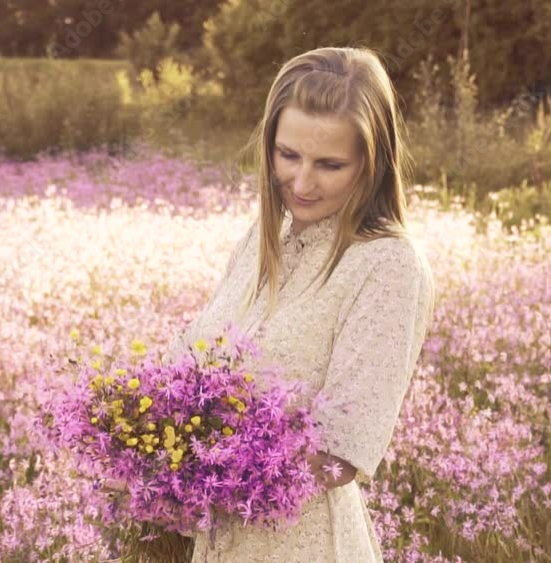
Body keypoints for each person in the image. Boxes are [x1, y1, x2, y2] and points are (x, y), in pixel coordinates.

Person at [162, 46, 437, 563]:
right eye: (288, 156)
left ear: (371, 166)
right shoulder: (263, 237)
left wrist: (214, 486)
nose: (302, 184)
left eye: (330, 165)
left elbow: (344, 459)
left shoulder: (388, 266)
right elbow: (190, 368)